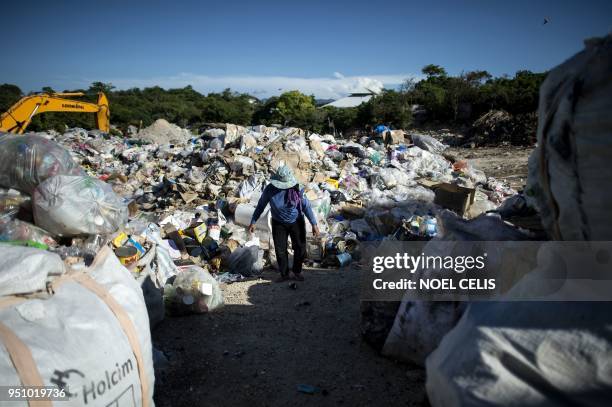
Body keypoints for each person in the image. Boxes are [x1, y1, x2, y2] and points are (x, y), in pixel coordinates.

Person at [249, 166, 320, 282]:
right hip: (278, 223)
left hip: (296, 221)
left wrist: (314, 224)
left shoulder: (298, 189)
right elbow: (261, 205)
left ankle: (297, 271)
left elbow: (306, 206)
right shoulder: (270, 189)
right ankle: (284, 274)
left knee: (300, 248)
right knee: (280, 249)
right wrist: (253, 221)